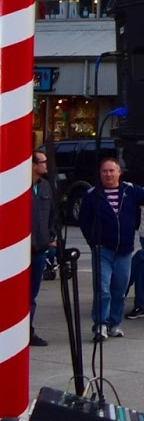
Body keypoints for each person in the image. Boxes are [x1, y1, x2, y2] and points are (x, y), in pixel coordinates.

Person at [78, 156, 144, 340]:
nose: (108, 174)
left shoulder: (130, 191)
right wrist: (93, 242)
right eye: (104, 171)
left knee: (119, 289)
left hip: (124, 251)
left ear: (119, 172)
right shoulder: (92, 195)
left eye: (111, 170)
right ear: (100, 174)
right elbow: (84, 222)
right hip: (103, 250)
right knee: (102, 288)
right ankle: (100, 324)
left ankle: (114, 324)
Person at [29, 149, 53, 347]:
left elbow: (51, 213)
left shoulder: (45, 187)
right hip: (21, 251)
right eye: (43, 162)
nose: (46, 165)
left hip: (39, 249)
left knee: (32, 295)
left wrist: (50, 236)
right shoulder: (18, 186)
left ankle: (28, 330)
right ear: (34, 165)